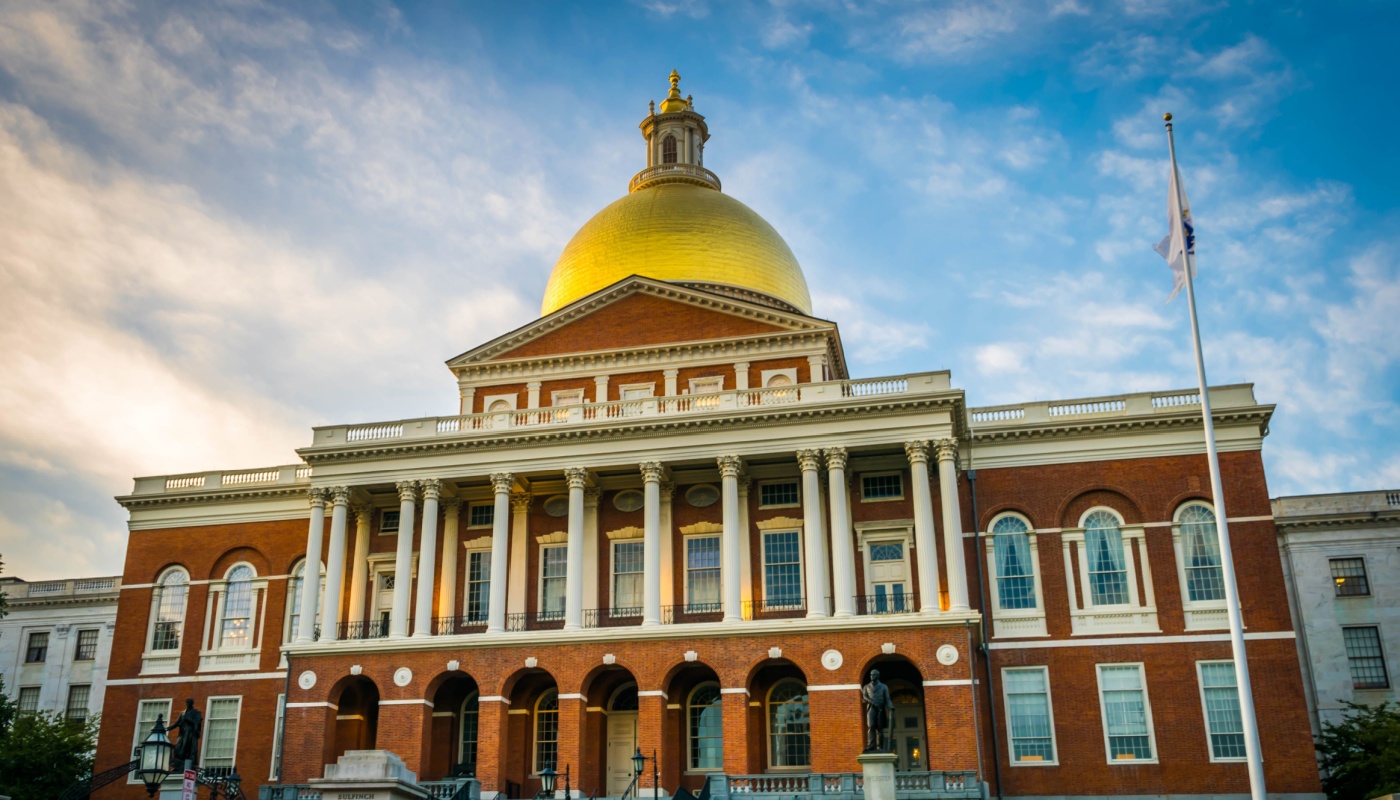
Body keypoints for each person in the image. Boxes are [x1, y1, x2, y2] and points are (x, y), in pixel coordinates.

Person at [861, 670, 895, 751]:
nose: (871, 676)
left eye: (874, 675)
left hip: (880, 709)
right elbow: (865, 697)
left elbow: (887, 699)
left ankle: (880, 746)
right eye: (871, 675)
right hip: (871, 709)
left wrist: (891, 706)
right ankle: (871, 745)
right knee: (871, 726)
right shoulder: (866, 687)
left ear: (878, 676)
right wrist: (872, 702)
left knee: (880, 729)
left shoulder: (883, 687)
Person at [171, 698, 203, 766]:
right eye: (187, 703)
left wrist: (189, 720)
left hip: (190, 734)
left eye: (189, 703)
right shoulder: (183, 713)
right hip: (182, 733)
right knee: (178, 747)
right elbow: (177, 722)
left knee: (190, 749)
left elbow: (197, 722)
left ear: (192, 704)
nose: (188, 704)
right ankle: (179, 764)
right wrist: (169, 728)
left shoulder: (196, 712)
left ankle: (189, 764)